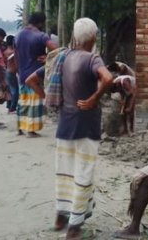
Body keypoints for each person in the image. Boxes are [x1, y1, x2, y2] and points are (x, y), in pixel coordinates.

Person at [52, 18, 114, 239]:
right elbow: (108, 78)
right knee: (83, 174)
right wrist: (94, 98)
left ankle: (61, 216)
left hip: (65, 123)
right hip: (86, 125)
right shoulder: (92, 58)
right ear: (94, 37)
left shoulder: (65, 56)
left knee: (64, 172)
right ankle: (75, 226)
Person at [15, 12, 58, 137]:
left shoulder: (18, 35)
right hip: (35, 74)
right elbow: (58, 50)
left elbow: (16, 57)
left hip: (22, 73)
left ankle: (20, 128)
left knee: (23, 102)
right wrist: (48, 59)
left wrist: (19, 71)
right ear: (40, 23)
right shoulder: (41, 36)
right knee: (34, 103)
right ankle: (31, 130)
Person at [107, 62, 136, 136]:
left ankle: (131, 129)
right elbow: (117, 92)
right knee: (123, 110)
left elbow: (133, 94)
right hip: (124, 87)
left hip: (132, 87)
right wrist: (121, 101)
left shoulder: (124, 80)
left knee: (130, 110)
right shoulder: (117, 83)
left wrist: (130, 107)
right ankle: (125, 130)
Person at [3, 35, 19, 114]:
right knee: (15, 91)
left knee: (10, 91)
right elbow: (16, 63)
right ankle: (12, 108)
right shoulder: (13, 52)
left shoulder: (5, 51)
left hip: (7, 72)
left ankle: (9, 107)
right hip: (11, 73)